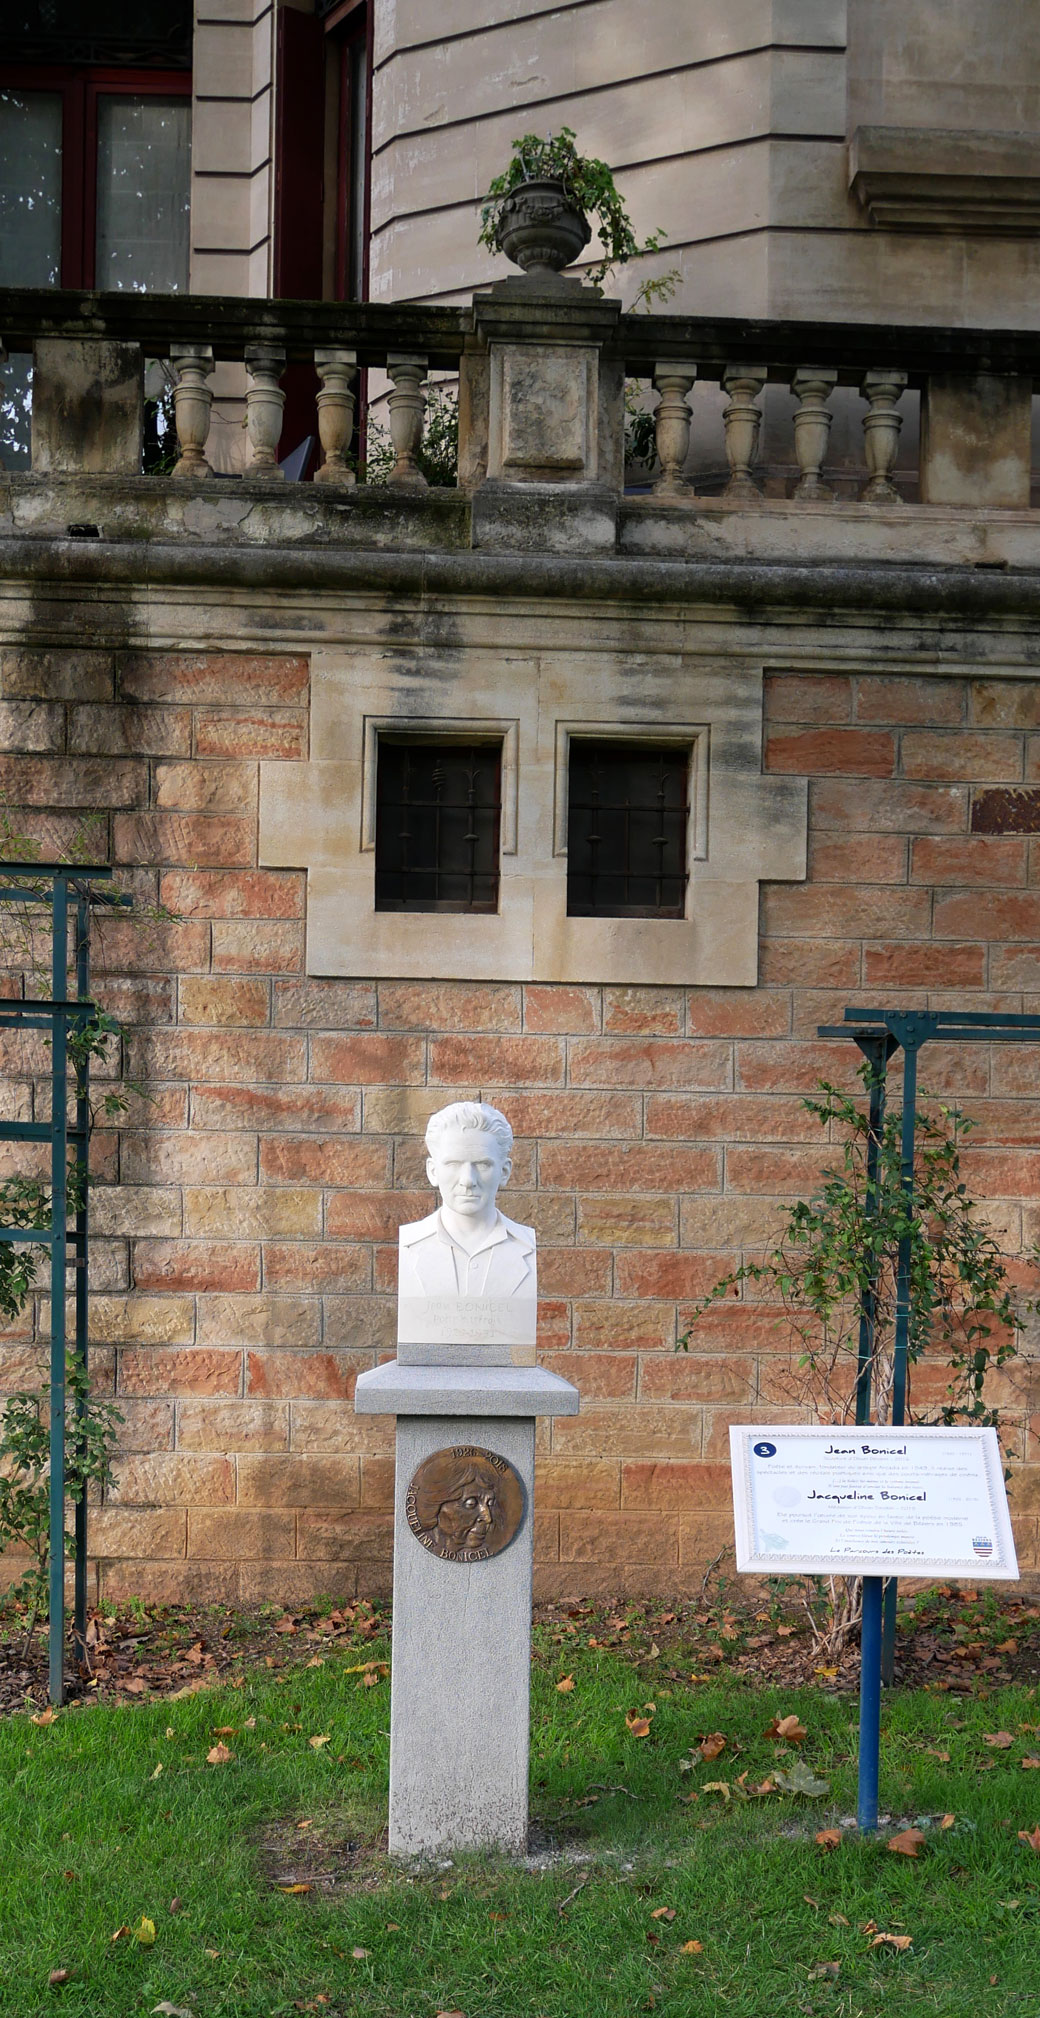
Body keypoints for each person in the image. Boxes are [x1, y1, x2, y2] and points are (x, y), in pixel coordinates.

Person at [398, 1100, 536, 1301]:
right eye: (453, 1164)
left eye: (482, 1164)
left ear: (504, 1171)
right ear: (433, 1171)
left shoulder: (526, 1244)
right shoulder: (411, 1244)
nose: (468, 1180)